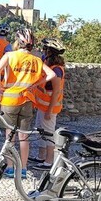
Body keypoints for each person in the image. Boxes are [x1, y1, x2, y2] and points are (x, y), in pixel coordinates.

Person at [0, 27, 55, 179]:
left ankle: (10, 167)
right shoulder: (36, 60)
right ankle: (24, 169)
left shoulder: (10, 55)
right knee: (24, 136)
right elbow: (51, 74)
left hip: (9, 100)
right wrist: (36, 84)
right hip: (27, 100)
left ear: (18, 42)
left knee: (10, 135)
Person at [27, 38, 66, 168]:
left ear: (49, 52)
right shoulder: (48, 63)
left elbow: (55, 92)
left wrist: (49, 111)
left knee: (49, 134)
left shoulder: (56, 70)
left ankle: (49, 162)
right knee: (41, 131)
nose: (43, 51)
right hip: (42, 106)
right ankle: (41, 157)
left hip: (49, 108)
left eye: (45, 49)